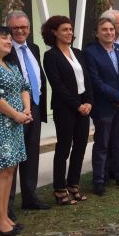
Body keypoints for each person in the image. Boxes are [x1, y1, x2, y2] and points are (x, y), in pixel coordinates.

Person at [0, 26, 31, 236]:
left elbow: (24, 87)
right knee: (0, 171)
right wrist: (15, 114)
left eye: (10, 38)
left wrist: (26, 109)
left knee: (10, 169)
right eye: (4, 37)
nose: (9, 41)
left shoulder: (11, 64)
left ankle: (4, 216)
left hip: (15, 124)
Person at [42, 16, 93, 205]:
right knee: (64, 148)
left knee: (80, 146)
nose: (69, 32)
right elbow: (57, 85)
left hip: (84, 106)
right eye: (65, 29)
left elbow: (87, 80)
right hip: (65, 107)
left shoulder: (78, 53)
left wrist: (89, 102)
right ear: (54, 32)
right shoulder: (51, 56)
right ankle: (59, 189)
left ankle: (73, 184)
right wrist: (76, 105)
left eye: (71, 29)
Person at [84, 17, 119, 196]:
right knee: (102, 144)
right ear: (97, 33)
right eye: (104, 29)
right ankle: (99, 180)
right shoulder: (90, 53)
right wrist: (117, 96)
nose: (109, 32)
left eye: (111, 29)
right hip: (104, 105)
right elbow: (95, 81)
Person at [5, 11, 50, 214]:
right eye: (15, 28)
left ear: (29, 29)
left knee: (31, 154)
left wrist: (36, 105)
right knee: (13, 157)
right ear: (8, 29)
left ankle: (30, 198)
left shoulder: (33, 48)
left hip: (35, 107)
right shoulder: (4, 50)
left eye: (23, 27)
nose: (20, 31)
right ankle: (7, 205)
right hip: (13, 110)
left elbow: (38, 76)